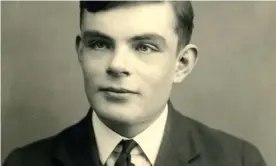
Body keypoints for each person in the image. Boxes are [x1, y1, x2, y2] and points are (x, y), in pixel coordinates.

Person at [3, 1, 266, 166]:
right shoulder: (24, 162)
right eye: (99, 44)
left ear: (182, 63)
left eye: (145, 47)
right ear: (81, 52)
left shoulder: (238, 161)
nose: (117, 65)